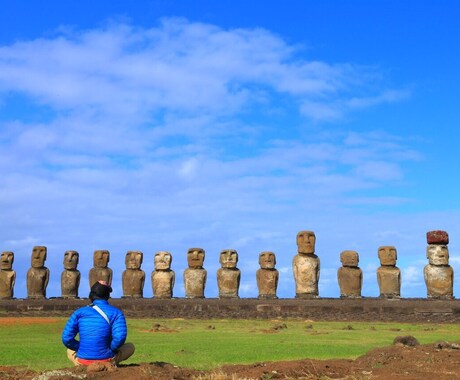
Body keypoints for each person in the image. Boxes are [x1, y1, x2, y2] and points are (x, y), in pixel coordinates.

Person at [62, 280, 135, 366]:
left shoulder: (79, 312)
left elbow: (66, 338)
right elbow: (119, 338)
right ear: (107, 296)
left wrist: (81, 348)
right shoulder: (116, 313)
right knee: (130, 347)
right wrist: (110, 349)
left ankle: (81, 365)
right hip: (106, 360)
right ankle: (110, 364)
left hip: (83, 360)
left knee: (69, 350)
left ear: (91, 295)